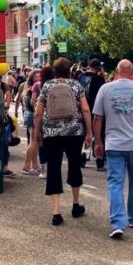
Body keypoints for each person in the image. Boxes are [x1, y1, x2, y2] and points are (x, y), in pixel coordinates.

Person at [92, 59, 133, 239]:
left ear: (116, 70)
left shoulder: (105, 89)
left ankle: (117, 223)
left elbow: (97, 118)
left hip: (114, 144)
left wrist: (98, 142)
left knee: (115, 182)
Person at [34, 58, 92, 226]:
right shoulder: (76, 85)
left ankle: (56, 212)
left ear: (54, 70)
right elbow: (85, 109)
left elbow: (38, 112)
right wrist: (89, 132)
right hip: (74, 133)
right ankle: (75, 205)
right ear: (69, 70)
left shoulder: (47, 86)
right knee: (74, 165)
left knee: (53, 168)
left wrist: (38, 132)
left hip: (52, 133)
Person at [79, 59, 107, 170]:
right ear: (98, 67)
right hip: (96, 110)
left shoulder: (80, 77)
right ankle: (99, 161)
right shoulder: (98, 79)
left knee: (85, 134)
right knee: (98, 135)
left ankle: (83, 157)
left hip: (82, 109)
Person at [17, 69, 42, 175]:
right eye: (35, 77)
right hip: (32, 114)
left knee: (34, 141)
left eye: (39, 76)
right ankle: (26, 166)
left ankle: (35, 165)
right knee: (34, 142)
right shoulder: (33, 88)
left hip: (28, 114)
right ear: (31, 78)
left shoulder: (26, 87)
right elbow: (33, 104)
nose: (38, 78)